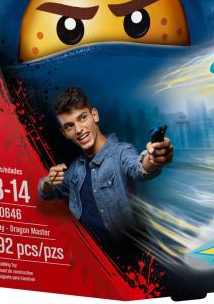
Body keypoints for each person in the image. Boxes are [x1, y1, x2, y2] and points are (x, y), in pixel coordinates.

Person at [38, 87, 173, 241]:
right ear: (64, 133)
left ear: (94, 115)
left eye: (82, 118)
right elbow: (46, 193)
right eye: (69, 126)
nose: (78, 129)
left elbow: (139, 168)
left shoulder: (121, 152)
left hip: (127, 252)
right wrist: (48, 182)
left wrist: (154, 157)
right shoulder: (74, 170)